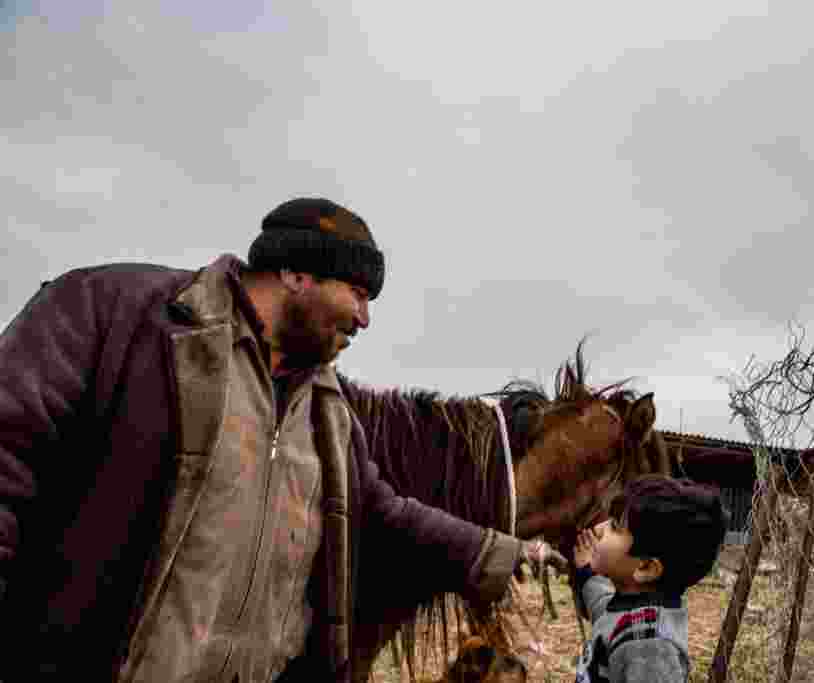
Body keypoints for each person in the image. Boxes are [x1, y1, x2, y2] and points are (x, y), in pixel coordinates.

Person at [0, 198, 525, 682]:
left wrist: (494, 555)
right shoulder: (115, 314)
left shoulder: (327, 410)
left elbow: (380, 510)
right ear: (296, 273)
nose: (364, 319)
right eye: (358, 294)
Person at [572, 474, 727, 683]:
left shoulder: (650, 649)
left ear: (645, 567)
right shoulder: (629, 606)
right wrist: (587, 572)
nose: (599, 529)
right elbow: (603, 609)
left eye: (615, 527)